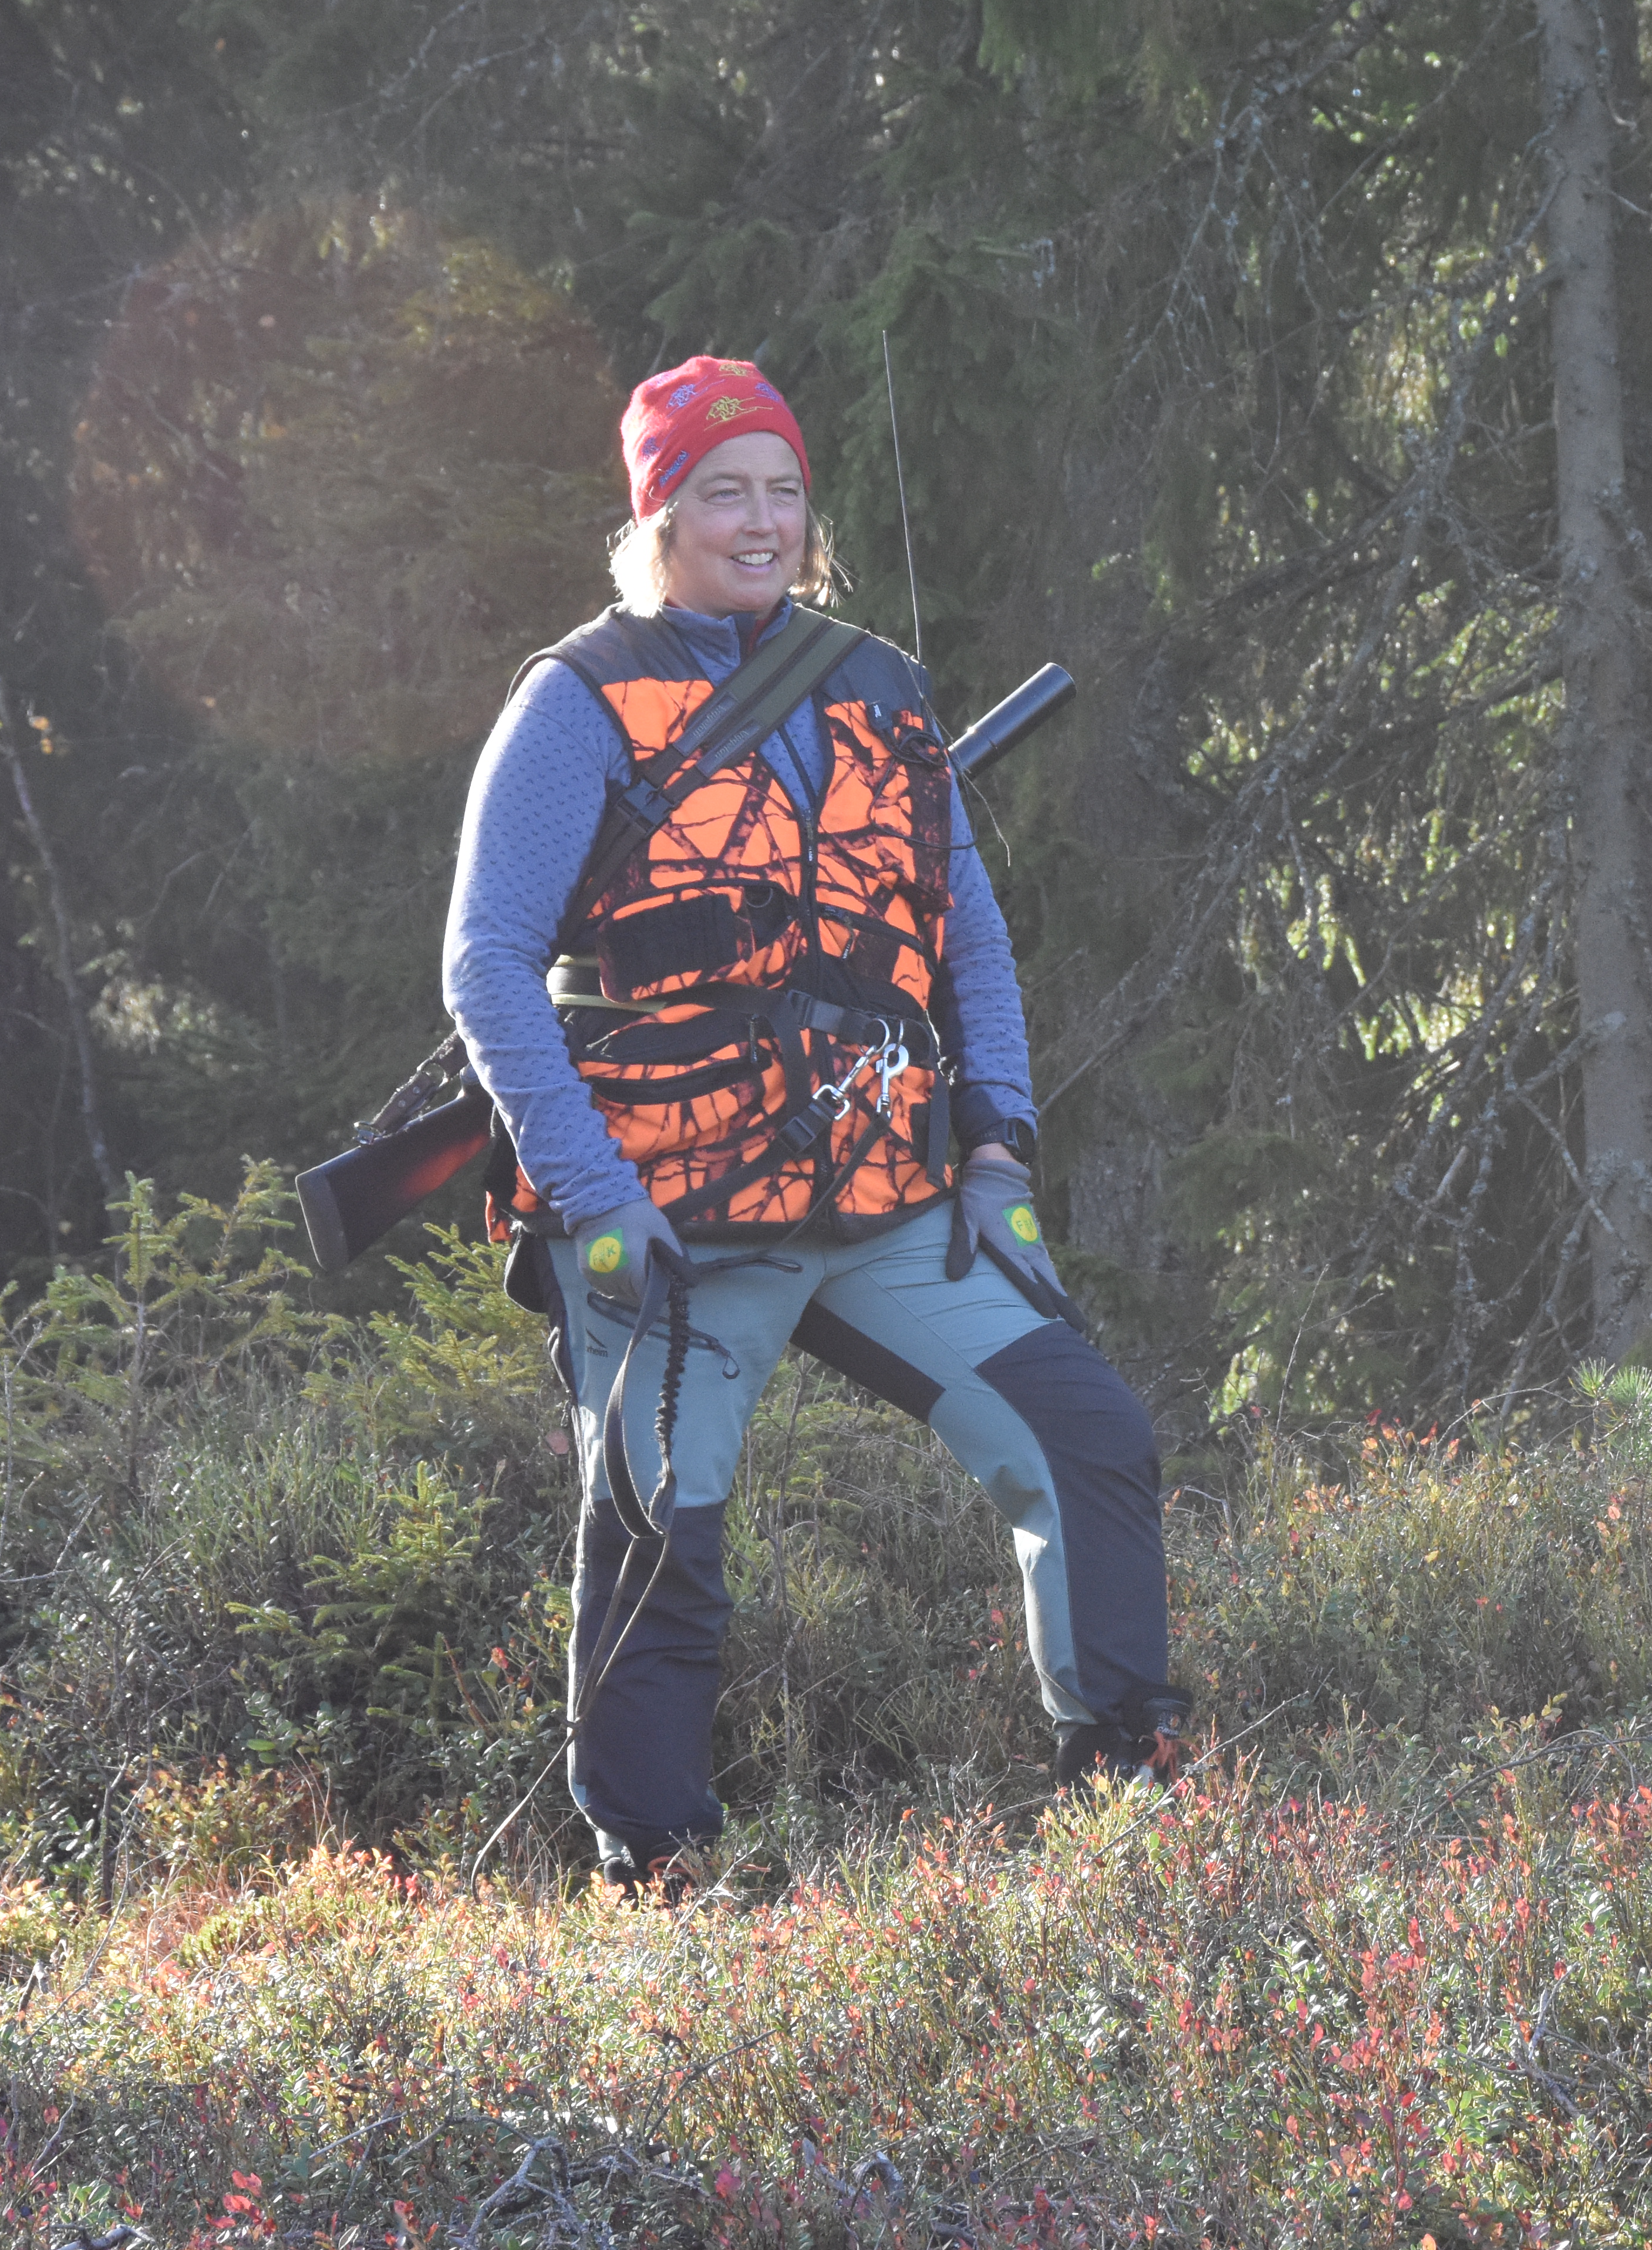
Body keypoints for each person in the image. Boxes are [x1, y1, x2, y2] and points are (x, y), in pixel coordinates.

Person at [444, 355, 1181, 1892]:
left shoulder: (877, 685)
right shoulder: (573, 700)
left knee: (1090, 1434)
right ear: (660, 510)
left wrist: (997, 1147)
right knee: (662, 1523)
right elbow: (485, 969)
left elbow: (966, 940)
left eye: (783, 488)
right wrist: (589, 1193)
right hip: (670, 1207)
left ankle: (1129, 1824)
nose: (763, 519)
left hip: (883, 1186)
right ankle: (658, 1877)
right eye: (726, 490)